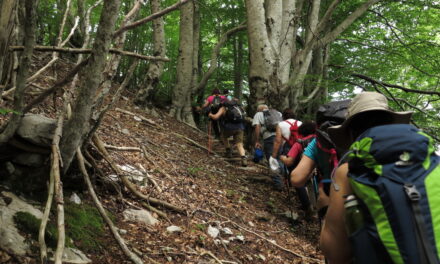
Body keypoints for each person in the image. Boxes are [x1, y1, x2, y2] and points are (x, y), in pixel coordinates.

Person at [320, 92, 414, 263]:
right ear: (392, 124)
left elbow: (336, 253)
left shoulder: (349, 171)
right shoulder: (427, 163)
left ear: (350, 133)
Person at [208, 99, 247, 167]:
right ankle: (243, 158)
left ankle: (228, 151)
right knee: (239, 144)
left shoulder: (223, 108)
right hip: (240, 127)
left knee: (223, 136)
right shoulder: (238, 107)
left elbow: (215, 117)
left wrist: (210, 114)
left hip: (229, 127)